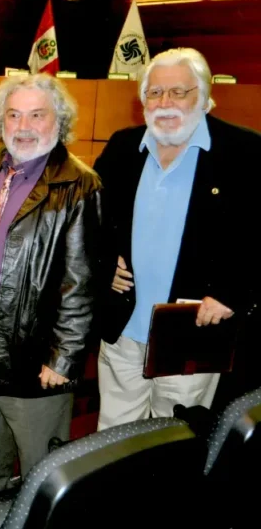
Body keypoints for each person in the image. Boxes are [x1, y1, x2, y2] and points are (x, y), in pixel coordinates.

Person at [0, 73, 102, 518]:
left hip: (34, 349)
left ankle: (40, 518)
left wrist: (63, 358)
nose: (23, 124)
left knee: (40, 459)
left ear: (58, 122)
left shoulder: (79, 185)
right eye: (14, 114)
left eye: (36, 114)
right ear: (1, 120)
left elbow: (82, 283)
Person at [94, 47, 261, 430]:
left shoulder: (245, 152)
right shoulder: (122, 147)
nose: (165, 102)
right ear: (142, 101)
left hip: (192, 328)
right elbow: (90, 223)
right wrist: (106, 266)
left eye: (178, 92)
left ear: (204, 97)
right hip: (124, 328)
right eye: (154, 93)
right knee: (112, 440)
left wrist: (231, 293)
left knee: (175, 440)